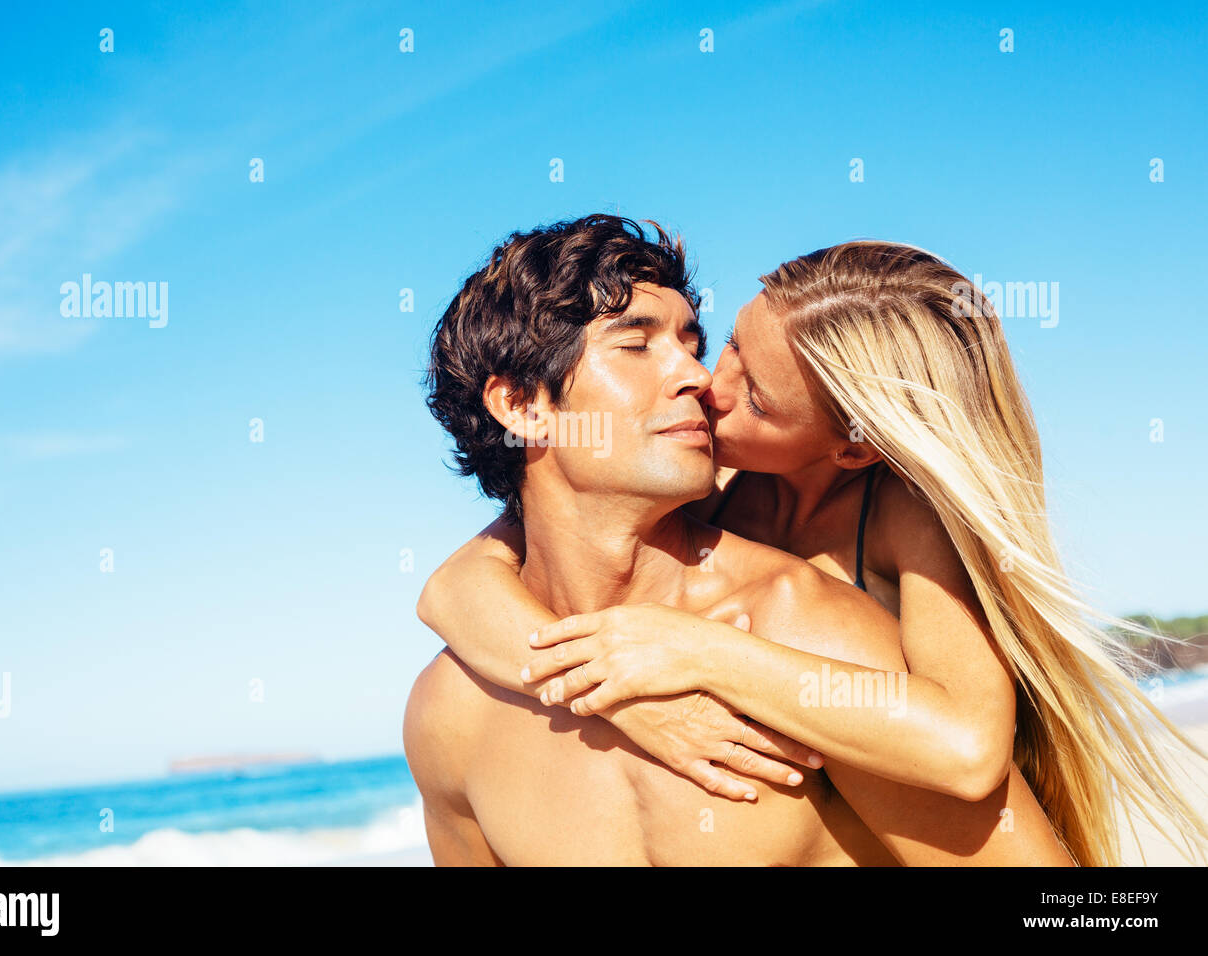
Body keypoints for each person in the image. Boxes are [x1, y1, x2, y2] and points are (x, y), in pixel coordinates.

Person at [418, 228, 1208, 867]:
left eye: (696, 345)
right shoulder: (453, 711)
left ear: (851, 445)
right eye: (639, 345)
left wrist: (693, 652)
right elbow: (452, 586)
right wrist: (610, 684)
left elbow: (983, 778)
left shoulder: (825, 616)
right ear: (521, 404)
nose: (699, 377)